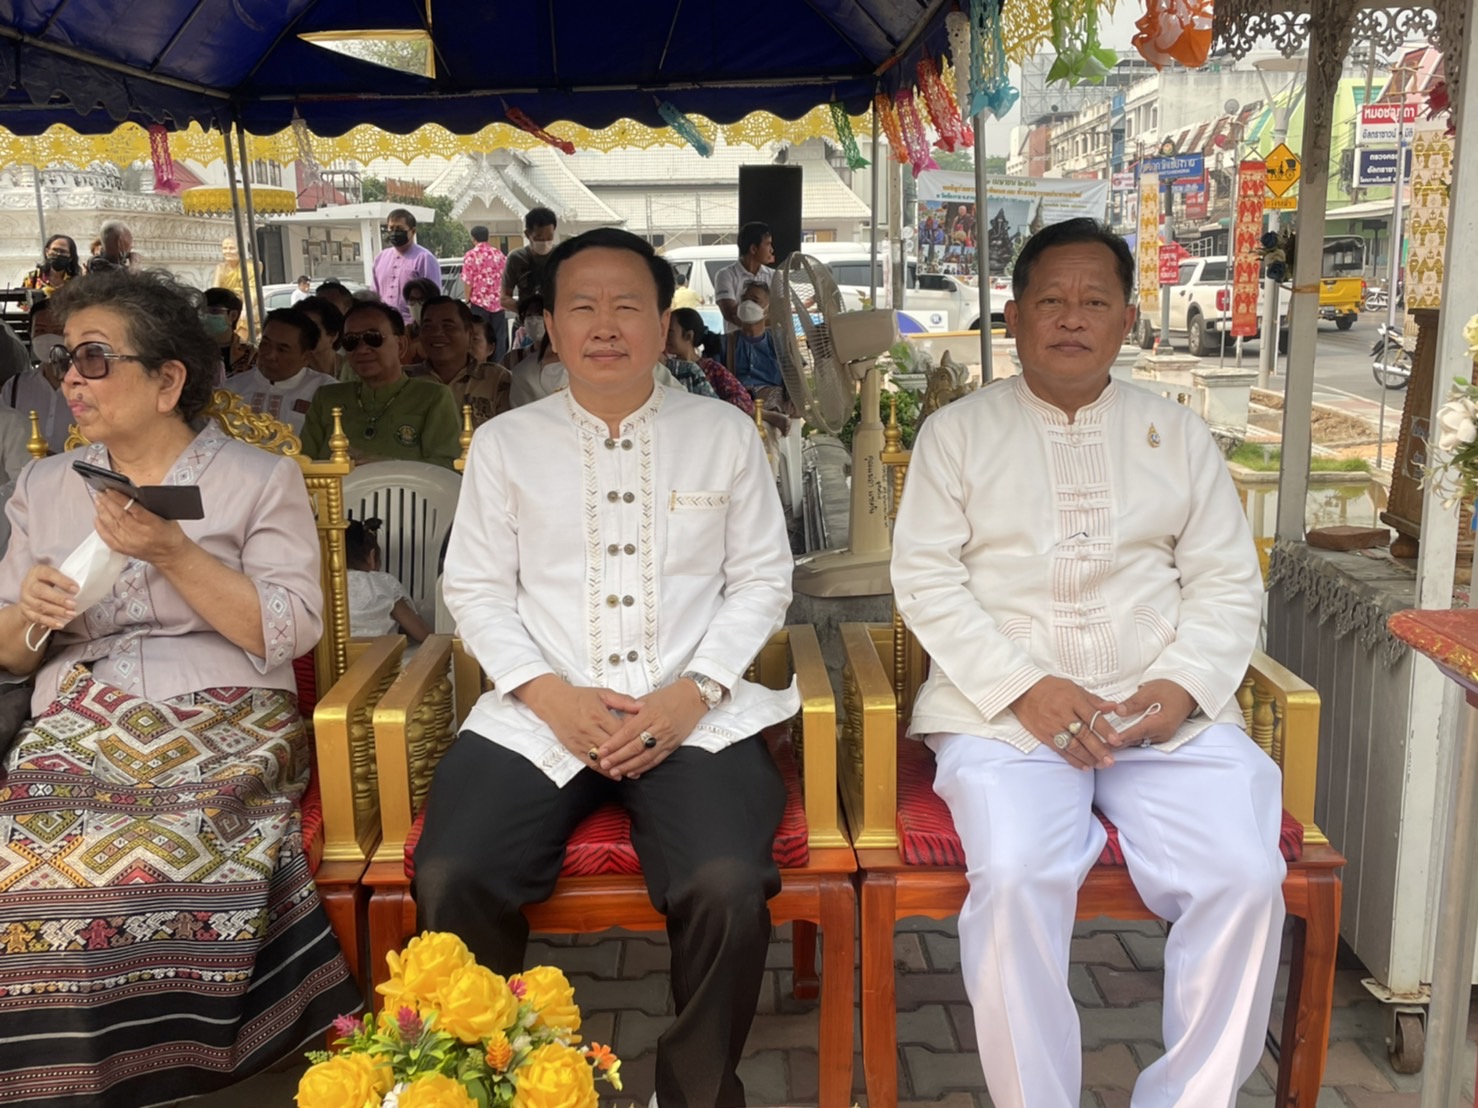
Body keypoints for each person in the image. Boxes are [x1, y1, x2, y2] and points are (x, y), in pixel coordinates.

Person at [889, 218, 1282, 1108]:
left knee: (1245, 876)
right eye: (1052, 300)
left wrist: (1183, 686)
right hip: (1003, 715)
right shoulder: (957, 432)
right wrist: (1023, 687)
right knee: (1016, 876)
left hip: (1159, 712)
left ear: (1128, 320)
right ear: (1013, 316)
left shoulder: (1178, 433)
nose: (1073, 318)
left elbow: (1227, 580)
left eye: (1095, 301)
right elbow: (924, 578)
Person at [414, 227, 797, 1108]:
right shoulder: (507, 443)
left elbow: (762, 580)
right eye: (581, 306)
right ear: (549, 325)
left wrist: (695, 691)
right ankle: (498, 1084)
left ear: (664, 324)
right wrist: (548, 695)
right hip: (540, 713)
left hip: (692, 713)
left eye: (629, 305)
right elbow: (473, 587)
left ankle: (694, 1093)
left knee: (727, 884)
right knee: (454, 873)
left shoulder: (723, 434)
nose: (606, 325)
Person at [0, 268, 359, 1105]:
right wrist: (29, 615)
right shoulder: (46, 487)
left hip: (227, 713)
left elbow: (291, 628)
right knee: (24, 865)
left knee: (137, 860)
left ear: (167, 380)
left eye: (95, 358)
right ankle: (64, 1082)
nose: (72, 380)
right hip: (82, 714)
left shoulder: (255, 479)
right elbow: (10, 656)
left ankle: (152, 1069)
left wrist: (174, 552)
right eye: (63, 359)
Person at [299, 301, 461, 469]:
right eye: (351, 341)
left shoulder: (432, 397)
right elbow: (302, 465)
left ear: (401, 345)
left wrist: (387, 467)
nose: (362, 350)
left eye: (373, 338)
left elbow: (448, 466)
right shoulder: (327, 398)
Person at [226, 307, 337, 434]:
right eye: (265, 344)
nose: (270, 355)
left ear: (306, 357)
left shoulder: (327, 393)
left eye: (282, 349)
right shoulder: (230, 390)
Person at [406, 296, 510, 428]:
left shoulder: (496, 379)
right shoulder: (405, 380)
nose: (437, 333)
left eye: (448, 326)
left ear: (470, 334)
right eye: (428, 326)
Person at [1, 293, 71, 454]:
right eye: (40, 330)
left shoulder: (89, 387)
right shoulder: (16, 387)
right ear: (30, 333)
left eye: (58, 331)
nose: (48, 337)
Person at [346, 517, 431, 642]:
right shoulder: (382, 582)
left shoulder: (320, 585)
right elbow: (423, 634)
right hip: (381, 653)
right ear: (371, 557)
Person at [666, 306, 753, 415]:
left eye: (670, 332)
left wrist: (716, 407)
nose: (664, 336)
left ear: (688, 335)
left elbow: (744, 401)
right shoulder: (665, 369)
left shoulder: (712, 369)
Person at [372, 208, 442, 323]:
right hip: (386, 325)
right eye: (391, 228)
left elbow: (434, 299)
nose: (394, 233)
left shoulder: (424, 258)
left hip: (414, 327)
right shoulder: (380, 259)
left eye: (399, 229)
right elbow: (374, 296)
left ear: (412, 231)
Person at [724, 282, 785, 394]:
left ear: (769, 308)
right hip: (738, 399)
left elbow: (796, 378)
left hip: (774, 400)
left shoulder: (780, 341)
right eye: (744, 300)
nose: (747, 305)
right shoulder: (726, 343)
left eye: (755, 301)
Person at [714, 221, 775, 332]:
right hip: (736, 341)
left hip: (768, 342)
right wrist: (767, 315)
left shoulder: (774, 276)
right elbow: (731, 314)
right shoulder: (725, 275)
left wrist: (745, 313)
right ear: (753, 249)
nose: (772, 250)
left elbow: (782, 314)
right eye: (768, 244)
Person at [462, 226, 509, 361]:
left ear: (473, 238)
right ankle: (498, 366)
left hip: (479, 304)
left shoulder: (471, 255)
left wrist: (467, 300)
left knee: (479, 336)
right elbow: (506, 278)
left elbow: (468, 281)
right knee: (498, 337)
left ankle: (480, 364)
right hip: (498, 304)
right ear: (488, 237)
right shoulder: (499, 254)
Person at [500, 207, 557, 313]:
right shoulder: (516, 258)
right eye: (539, 238)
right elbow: (504, 298)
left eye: (549, 238)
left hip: (557, 321)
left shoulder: (562, 256)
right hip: (526, 321)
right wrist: (526, 311)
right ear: (527, 234)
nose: (545, 242)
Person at [297, 294, 354, 383]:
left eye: (312, 328)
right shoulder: (291, 373)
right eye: (300, 328)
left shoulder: (355, 370)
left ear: (333, 335)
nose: (304, 334)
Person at [204, 287, 256, 378]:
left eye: (214, 311)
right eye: (203, 310)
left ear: (233, 315)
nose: (206, 316)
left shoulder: (250, 354)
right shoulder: (192, 351)